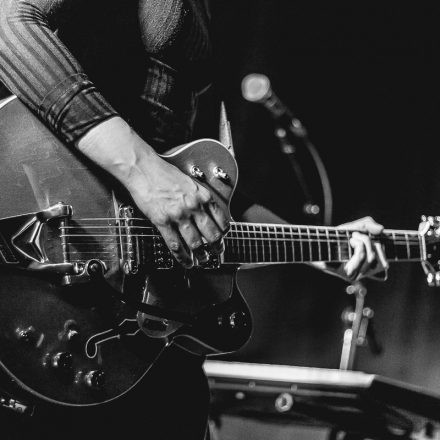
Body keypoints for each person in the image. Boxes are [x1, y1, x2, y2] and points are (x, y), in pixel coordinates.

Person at [0, 1, 386, 438]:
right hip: (58, 290)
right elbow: (9, 24)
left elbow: (198, 188)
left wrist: (323, 246)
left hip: (142, 353)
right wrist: (145, 172)